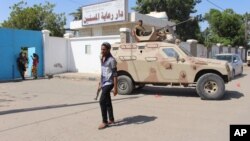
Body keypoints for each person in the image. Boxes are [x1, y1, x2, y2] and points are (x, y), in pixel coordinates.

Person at [98, 42, 118, 130]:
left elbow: (115, 74)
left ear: (108, 50)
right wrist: (100, 83)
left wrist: (115, 88)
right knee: (107, 101)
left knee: (101, 101)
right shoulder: (102, 58)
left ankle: (104, 121)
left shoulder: (112, 60)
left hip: (110, 83)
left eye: (104, 49)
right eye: (101, 49)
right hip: (104, 82)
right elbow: (102, 72)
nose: (102, 51)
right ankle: (111, 119)